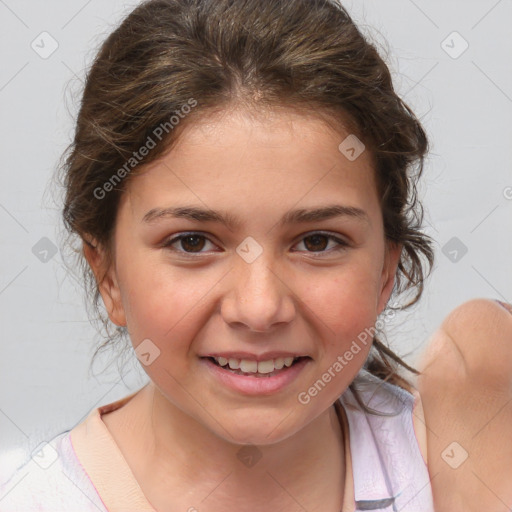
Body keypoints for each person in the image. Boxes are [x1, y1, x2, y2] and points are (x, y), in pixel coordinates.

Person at [1, 0, 511, 511]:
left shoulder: (464, 471)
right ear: (108, 275)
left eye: (317, 241)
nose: (260, 308)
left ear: (385, 270)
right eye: (193, 242)